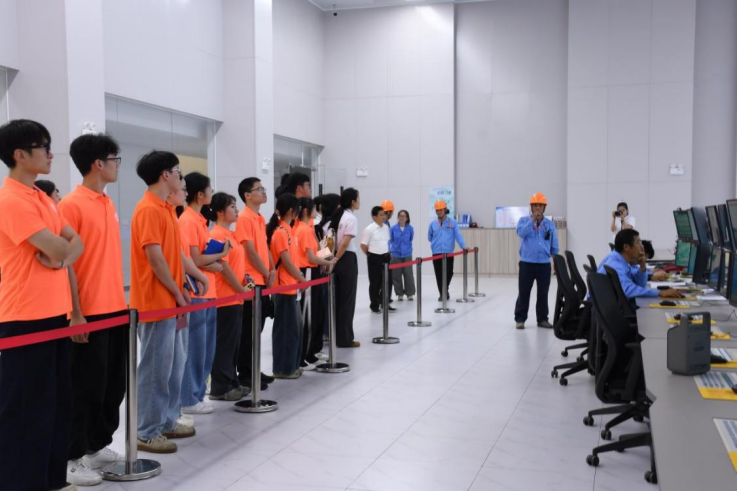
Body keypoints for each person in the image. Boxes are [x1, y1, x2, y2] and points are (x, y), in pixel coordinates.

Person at [0, 120, 84, 491]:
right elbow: (62, 246)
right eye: (44, 147)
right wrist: (62, 253)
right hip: (24, 317)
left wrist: (60, 258)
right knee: (24, 409)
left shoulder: (41, 198)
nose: (51, 154)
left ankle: (51, 480)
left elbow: (75, 243)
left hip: (54, 314)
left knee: (55, 404)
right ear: (20, 155)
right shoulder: (11, 200)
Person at [60, 134, 128, 487]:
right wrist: (75, 313)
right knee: (85, 387)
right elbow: (67, 265)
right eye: (115, 159)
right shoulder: (71, 205)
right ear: (98, 163)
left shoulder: (107, 202)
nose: (118, 165)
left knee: (112, 385)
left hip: (116, 306)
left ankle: (96, 446)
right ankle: (70, 457)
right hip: (88, 311)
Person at [130, 151, 195, 454]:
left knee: (173, 365)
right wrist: (177, 293)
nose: (181, 176)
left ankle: (167, 419)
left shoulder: (166, 208)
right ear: (165, 174)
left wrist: (186, 284)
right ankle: (146, 431)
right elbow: (155, 260)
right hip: (156, 302)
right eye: (178, 171)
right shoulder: (148, 209)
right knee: (155, 368)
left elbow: (173, 255)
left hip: (172, 299)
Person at [179, 173, 230, 414]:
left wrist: (213, 262)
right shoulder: (188, 220)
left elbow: (201, 257)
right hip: (196, 292)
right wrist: (220, 256)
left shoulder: (199, 220)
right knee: (195, 348)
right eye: (209, 188)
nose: (212, 192)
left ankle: (198, 394)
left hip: (209, 291)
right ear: (200, 194)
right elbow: (194, 259)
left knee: (206, 348)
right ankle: (189, 397)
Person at [209, 193, 252, 400]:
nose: (236, 210)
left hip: (236, 296)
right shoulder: (217, 234)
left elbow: (235, 265)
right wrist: (240, 288)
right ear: (220, 211)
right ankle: (220, 387)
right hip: (225, 297)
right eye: (232, 207)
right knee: (224, 344)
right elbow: (223, 268)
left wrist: (245, 282)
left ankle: (232, 381)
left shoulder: (231, 234)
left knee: (233, 343)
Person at [235, 178, 276, 391]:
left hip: (262, 278)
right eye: (259, 189)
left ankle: (253, 367)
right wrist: (265, 272)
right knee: (248, 328)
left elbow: (264, 247)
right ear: (247, 195)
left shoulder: (259, 218)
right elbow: (249, 251)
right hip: (250, 281)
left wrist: (272, 268)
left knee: (257, 327)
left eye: (263, 188)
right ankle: (245, 373)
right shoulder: (244, 218)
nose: (263, 192)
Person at [267, 194, 307, 379]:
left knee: (294, 329)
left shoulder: (288, 230)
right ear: (292, 211)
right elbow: (287, 262)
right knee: (285, 330)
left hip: (291, 286)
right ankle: (283, 369)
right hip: (283, 287)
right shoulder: (281, 232)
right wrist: (301, 279)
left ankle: (291, 365)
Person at [294, 198, 335, 369]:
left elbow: (317, 249)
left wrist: (326, 259)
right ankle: (304, 356)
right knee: (308, 316)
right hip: (308, 272)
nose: (316, 212)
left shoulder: (309, 227)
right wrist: (328, 261)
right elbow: (311, 256)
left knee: (316, 313)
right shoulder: (304, 229)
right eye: (313, 209)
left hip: (314, 271)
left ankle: (311, 353)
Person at [599, 229, 684, 302]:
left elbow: (640, 285)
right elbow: (629, 290)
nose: (642, 247)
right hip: (616, 310)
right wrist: (660, 293)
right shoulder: (615, 265)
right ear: (626, 247)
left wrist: (642, 267)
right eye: (638, 242)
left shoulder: (621, 261)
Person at [515, 193, 559, 330]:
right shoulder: (523, 221)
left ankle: (542, 319)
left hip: (544, 265)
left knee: (543, 293)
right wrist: (532, 220)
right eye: (535, 205)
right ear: (531, 207)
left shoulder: (549, 224)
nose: (538, 208)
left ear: (544, 207)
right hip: (527, 264)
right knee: (524, 293)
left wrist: (556, 261)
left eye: (540, 205)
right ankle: (520, 319)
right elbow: (521, 233)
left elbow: (554, 244)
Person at [330, 188, 361, 348]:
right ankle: (345, 338)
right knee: (348, 301)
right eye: (358, 198)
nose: (359, 201)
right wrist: (336, 259)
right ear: (353, 202)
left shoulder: (337, 216)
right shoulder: (351, 218)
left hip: (336, 258)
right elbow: (344, 243)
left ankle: (336, 335)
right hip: (346, 258)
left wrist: (332, 259)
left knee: (338, 299)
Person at [428, 199, 467, 301]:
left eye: (441, 210)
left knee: (449, 273)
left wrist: (463, 246)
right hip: (436, 253)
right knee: (439, 275)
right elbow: (429, 237)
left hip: (448, 253)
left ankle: (445, 290)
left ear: (445, 210)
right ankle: (443, 294)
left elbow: (458, 235)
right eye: (437, 210)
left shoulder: (452, 223)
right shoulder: (432, 224)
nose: (439, 212)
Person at [361, 206, 395, 314]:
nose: (383, 216)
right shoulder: (369, 229)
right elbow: (363, 245)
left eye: (384, 214)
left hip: (386, 256)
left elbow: (387, 242)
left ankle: (385, 303)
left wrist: (389, 253)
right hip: (374, 257)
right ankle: (374, 305)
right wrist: (369, 254)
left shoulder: (386, 227)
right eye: (381, 215)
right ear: (374, 217)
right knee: (375, 282)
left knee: (388, 281)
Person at [390, 210, 416, 301]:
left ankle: (410, 293)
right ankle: (399, 293)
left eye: (404, 216)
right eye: (400, 216)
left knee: (408, 274)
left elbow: (411, 239)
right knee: (396, 274)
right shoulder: (393, 228)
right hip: (396, 254)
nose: (402, 217)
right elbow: (391, 240)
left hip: (407, 254)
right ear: (398, 217)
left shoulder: (410, 228)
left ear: (407, 218)